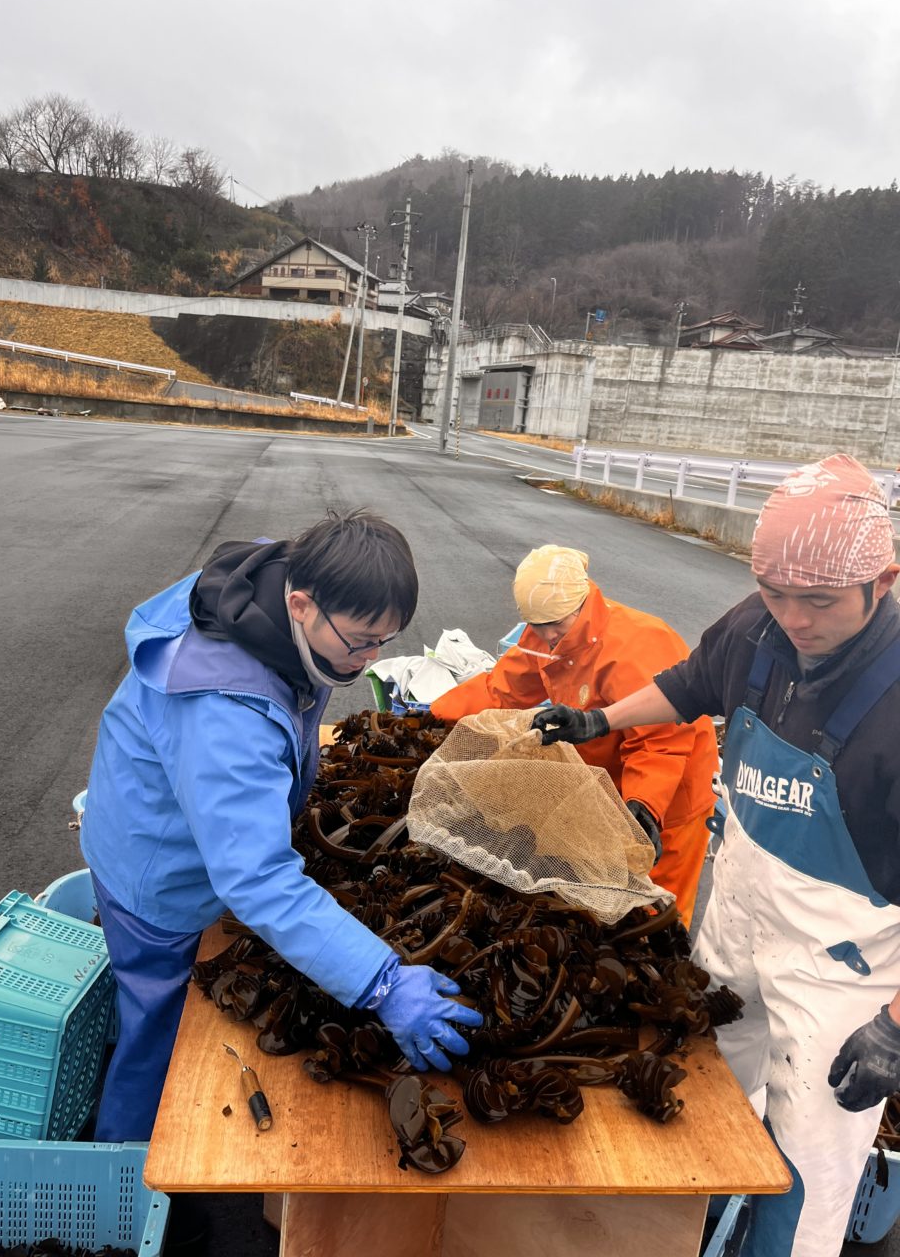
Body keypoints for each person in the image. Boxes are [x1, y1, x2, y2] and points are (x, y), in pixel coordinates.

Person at [532, 454, 900, 1257]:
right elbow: (692, 682)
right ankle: (677, 1232)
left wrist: (898, 1028)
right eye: (775, 593)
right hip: (736, 918)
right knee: (698, 1093)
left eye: (820, 602)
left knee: (806, 1160)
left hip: (840, 968)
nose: (795, 618)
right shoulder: (756, 628)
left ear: (884, 581)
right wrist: (601, 722)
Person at [80, 510, 482, 1142]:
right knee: (157, 1032)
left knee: (170, 1017)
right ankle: (128, 1172)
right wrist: (381, 983)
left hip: (171, 806)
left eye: (386, 638)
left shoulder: (277, 581)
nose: (372, 658)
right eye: (361, 641)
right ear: (302, 605)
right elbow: (257, 878)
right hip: (154, 868)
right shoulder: (226, 711)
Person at [430, 545, 719, 927]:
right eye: (536, 625)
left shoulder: (637, 644)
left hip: (673, 792)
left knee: (656, 914)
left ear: (580, 604)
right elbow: (501, 691)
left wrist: (646, 806)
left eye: (556, 624)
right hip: (611, 785)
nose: (547, 636)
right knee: (607, 899)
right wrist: (435, 715)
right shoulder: (544, 636)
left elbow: (659, 744)